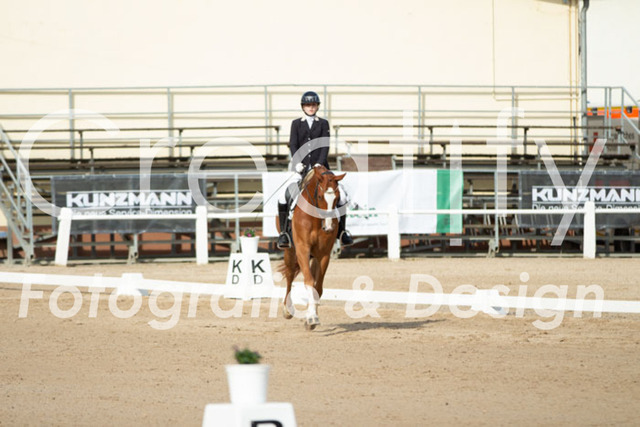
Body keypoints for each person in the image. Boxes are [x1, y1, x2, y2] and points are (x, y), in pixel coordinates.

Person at [277, 91, 354, 249]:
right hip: (301, 169)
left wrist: (319, 163)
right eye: (307, 105)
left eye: (313, 105)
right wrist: (297, 162)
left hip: (321, 169)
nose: (310, 108)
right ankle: (284, 233)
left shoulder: (323, 123)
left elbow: (325, 145)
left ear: (317, 106)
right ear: (303, 107)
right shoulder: (296, 123)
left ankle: (342, 231)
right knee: (283, 196)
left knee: (342, 196)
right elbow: (293, 144)